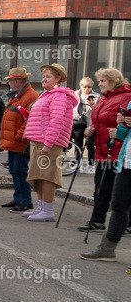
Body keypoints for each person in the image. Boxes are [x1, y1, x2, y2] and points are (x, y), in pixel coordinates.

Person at [23, 64, 78, 222]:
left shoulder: (59, 95)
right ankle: (41, 206)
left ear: (58, 79)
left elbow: (57, 121)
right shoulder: (47, 95)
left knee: (47, 176)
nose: (44, 79)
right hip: (38, 140)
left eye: (48, 76)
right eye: (44, 76)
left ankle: (47, 210)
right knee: (38, 175)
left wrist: (48, 143)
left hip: (48, 142)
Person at [79, 68, 131, 232]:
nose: (99, 84)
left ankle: (127, 225)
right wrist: (92, 129)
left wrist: (120, 131)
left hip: (118, 150)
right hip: (102, 149)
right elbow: (99, 120)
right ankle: (97, 221)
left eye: (103, 81)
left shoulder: (126, 97)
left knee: (120, 191)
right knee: (101, 187)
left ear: (114, 81)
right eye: (99, 81)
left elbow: (126, 121)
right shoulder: (103, 98)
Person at [81, 97, 131, 262]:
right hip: (126, 162)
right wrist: (121, 124)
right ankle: (107, 248)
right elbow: (122, 135)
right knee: (118, 206)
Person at [0, 68, 40, 213]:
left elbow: (30, 119)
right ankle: (18, 198)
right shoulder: (19, 95)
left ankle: (25, 201)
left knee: (20, 171)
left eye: (10, 80)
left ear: (17, 81)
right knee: (14, 170)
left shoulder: (30, 96)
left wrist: (19, 135)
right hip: (14, 140)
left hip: (20, 141)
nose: (9, 83)